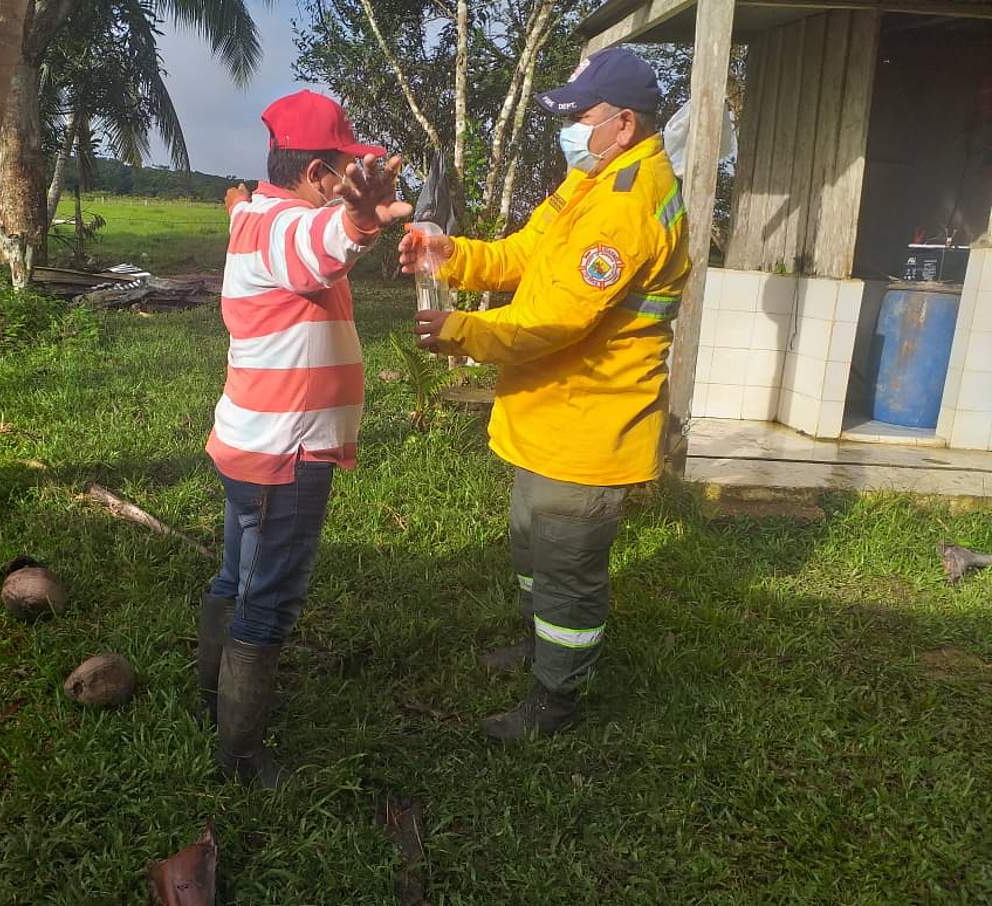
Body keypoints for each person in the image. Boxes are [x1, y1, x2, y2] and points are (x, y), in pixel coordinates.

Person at [401, 48, 690, 740]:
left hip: (589, 427)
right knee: (533, 551)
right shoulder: (590, 181)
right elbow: (528, 253)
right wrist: (453, 256)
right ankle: (539, 650)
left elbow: (554, 320)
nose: (568, 128)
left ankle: (555, 702)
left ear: (623, 124)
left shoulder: (628, 208)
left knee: (567, 579)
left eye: (579, 116)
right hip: (550, 414)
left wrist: (461, 329)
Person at [198, 90, 411, 787]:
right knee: (271, 599)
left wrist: (346, 211)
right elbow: (316, 250)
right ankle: (240, 755)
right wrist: (355, 220)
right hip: (285, 454)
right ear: (318, 173)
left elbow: (290, 234)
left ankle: (214, 698)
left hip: (251, 439)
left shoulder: (254, 212)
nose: (349, 179)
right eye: (343, 170)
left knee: (238, 576)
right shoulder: (287, 228)